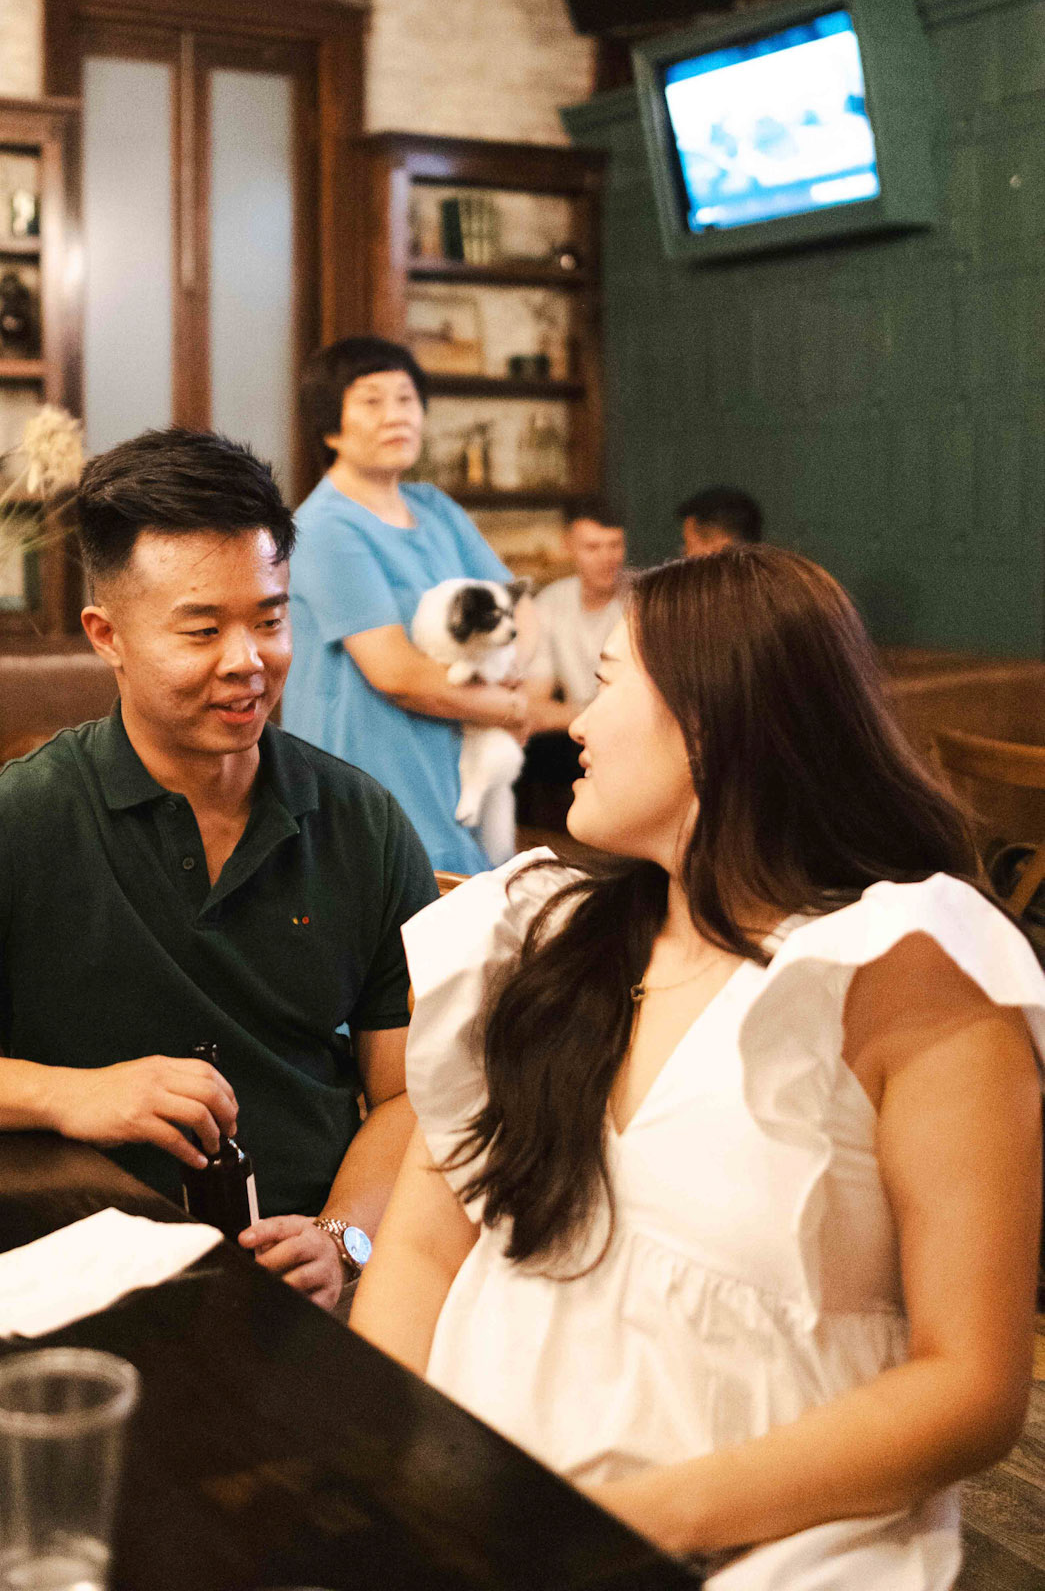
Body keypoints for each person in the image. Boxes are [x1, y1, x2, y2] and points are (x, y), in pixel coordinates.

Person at [353, 545, 1045, 1586]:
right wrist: (390, 1478)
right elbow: (417, 1249)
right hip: (470, 1517)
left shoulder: (906, 971)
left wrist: (620, 1524)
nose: (576, 724)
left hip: (766, 1544)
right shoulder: (540, 943)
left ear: (712, 722)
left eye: (606, 683)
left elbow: (971, 1388)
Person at [0, 427, 436, 1311]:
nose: (247, 660)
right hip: (86, 1277)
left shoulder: (360, 820)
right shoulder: (25, 816)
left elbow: (410, 1095)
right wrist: (70, 1095)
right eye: (202, 629)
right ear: (106, 636)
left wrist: (342, 1240)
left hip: (312, 1285)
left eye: (269, 619)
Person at [281, 336, 531, 877]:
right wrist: (511, 707)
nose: (396, 414)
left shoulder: (436, 508)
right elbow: (397, 673)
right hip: (371, 786)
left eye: (406, 398)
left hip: (455, 779)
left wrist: (511, 675)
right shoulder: (324, 527)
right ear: (329, 427)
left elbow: (521, 610)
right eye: (372, 401)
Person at [519, 497, 626, 817]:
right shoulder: (551, 602)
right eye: (593, 547)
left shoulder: (642, 601)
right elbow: (534, 701)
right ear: (568, 547)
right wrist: (581, 714)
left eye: (615, 545)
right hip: (577, 735)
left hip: (627, 731)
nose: (606, 558)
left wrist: (567, 714)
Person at [677, 484, 763, 555]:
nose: (684, 553)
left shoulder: (710, 567)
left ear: (718, 545)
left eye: (688, 544)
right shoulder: (767, 569)